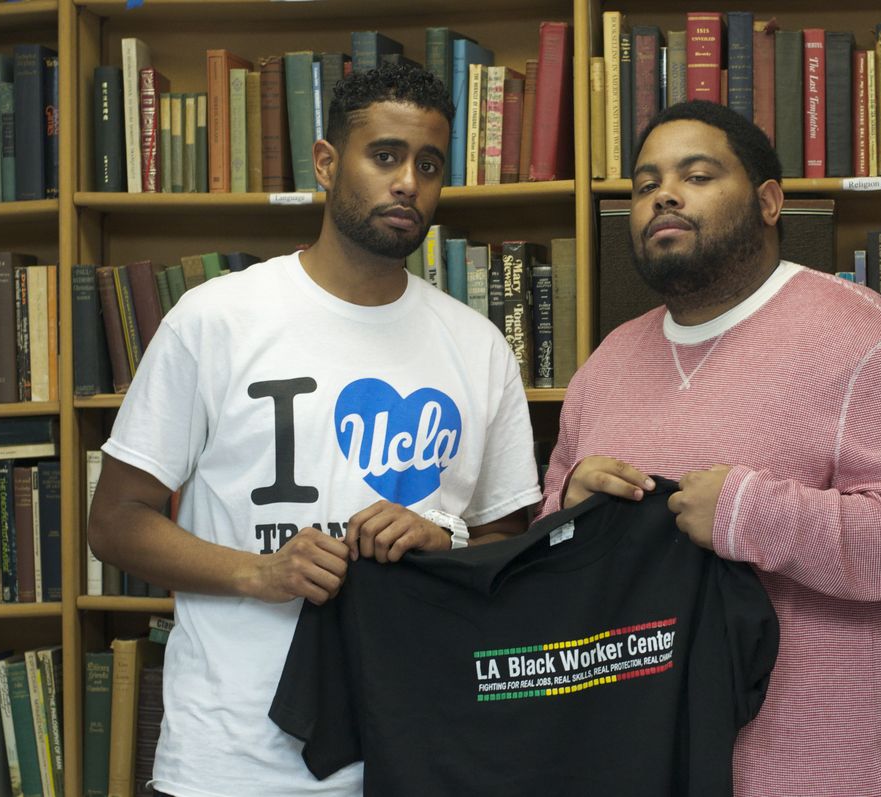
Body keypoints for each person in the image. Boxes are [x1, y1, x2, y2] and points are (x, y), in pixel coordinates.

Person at [87, 62, 541, 797]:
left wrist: (446, 539)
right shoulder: (216, 319)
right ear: (327, 163)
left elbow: (511, 545)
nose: (408, 183)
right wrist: (258, 572)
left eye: (429, 165)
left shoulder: (478, 345)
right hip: (229, 761)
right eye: (385, 155)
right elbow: (113, 522)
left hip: (417, 749)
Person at [538, 100, 881, 796]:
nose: (664, 193)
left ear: (769, 201)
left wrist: (753, 514)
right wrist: (569, 516)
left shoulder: (868, 340)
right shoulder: (604, 367)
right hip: (645, 763)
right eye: (644, 182)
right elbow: (551, 560)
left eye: (698, 174)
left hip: (826, 775)